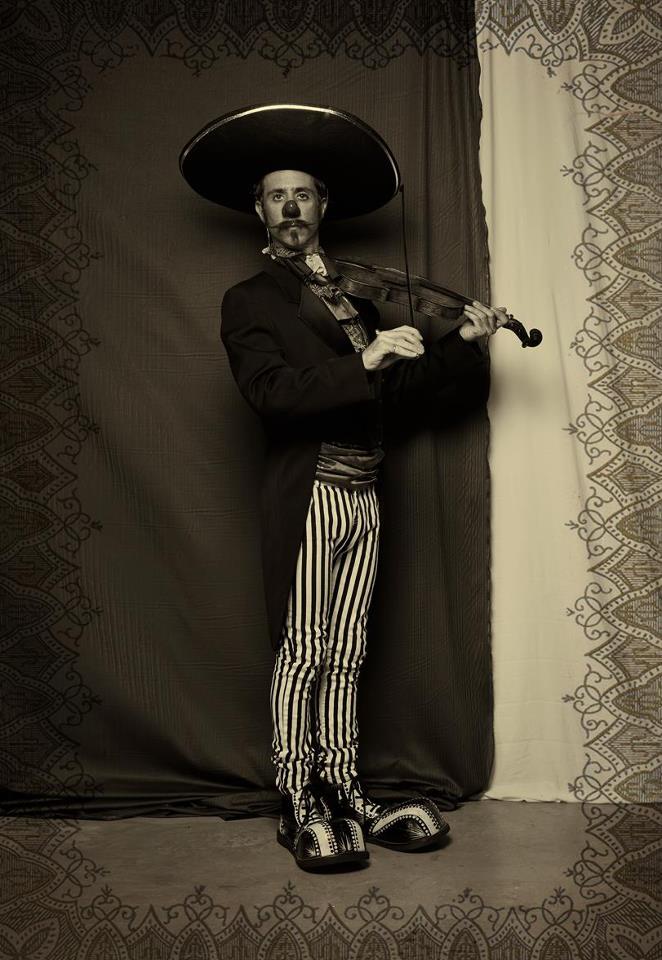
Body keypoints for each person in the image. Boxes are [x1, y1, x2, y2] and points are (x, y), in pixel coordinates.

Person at [180, 105, 507, 871]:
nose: (291, 207)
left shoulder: (356, 302)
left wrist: (461, 343)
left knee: (350, 649)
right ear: (259, 210)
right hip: (310, 495)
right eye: (277, 196)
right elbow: (271, 394)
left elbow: (402, 394)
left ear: (323, 206)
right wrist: (362, 361)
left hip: (365, 492)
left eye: (303, 194)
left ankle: (344, 786)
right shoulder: (250, 301)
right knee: (304, 649)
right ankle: (297, 796)